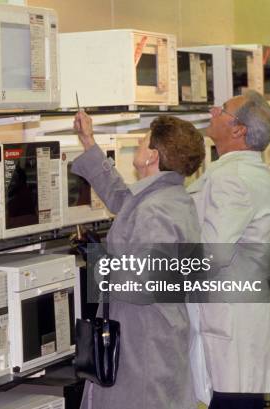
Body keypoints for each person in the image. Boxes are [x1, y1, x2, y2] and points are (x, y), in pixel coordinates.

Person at [73, 113, 205, 409]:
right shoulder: (167, 197)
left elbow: (141, 284)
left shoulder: (155, 210)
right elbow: (122, 198)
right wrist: (88, 141)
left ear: (152, 156)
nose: (139, 145)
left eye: (143, 141)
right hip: (156, 333)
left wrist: (96, 261)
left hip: (142, 343)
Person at [187, 90, 270, 409]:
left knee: (235, 400)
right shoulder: (239, 170)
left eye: (222, 110)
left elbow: (212, 254)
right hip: (236, 318)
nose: (212, 111)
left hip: (230, 322)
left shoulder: (234, 177)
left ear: (238, 129)